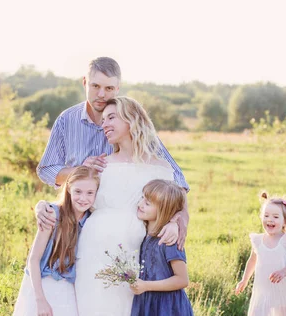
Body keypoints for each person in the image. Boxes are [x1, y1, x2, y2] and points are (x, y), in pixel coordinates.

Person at [36, 96, 185, 316]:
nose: (104, 123)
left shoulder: (160, 167)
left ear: (133, 120)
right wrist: (41, 205)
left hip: (134, 258)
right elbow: (72, 195)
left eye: (112, 117)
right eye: (103, 119)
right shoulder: (100, 165)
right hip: (91, 255)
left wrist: (176, 223)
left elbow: (177, 203)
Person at [36, 56, 189, 249]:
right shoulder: (66, 120)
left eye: (108, 88)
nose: (101, 94)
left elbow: (175, 177)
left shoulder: (132, 124)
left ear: (118, 88)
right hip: (76, 217)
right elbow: (46, 169)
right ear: (85, 82)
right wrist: (80, 171)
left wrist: (181, 216)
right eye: (95, 86)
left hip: (123, 229)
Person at [0, 166, 100, 316]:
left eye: (89, 193)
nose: (83, 198)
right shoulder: (52, 214)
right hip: (45, 287)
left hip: (71, 291)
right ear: (68, 190)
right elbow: (33, 260)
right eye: (78, 192)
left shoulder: (93, 220)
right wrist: (40, 299)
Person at [124, 179, 203, 316]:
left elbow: (182, 279)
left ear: (164, 210)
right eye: (143, 198)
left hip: (169, 311)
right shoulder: (146, 234)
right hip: (154, 310)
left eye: (147, 203)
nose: (140, 204)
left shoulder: (168, 240)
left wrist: (147, 285)